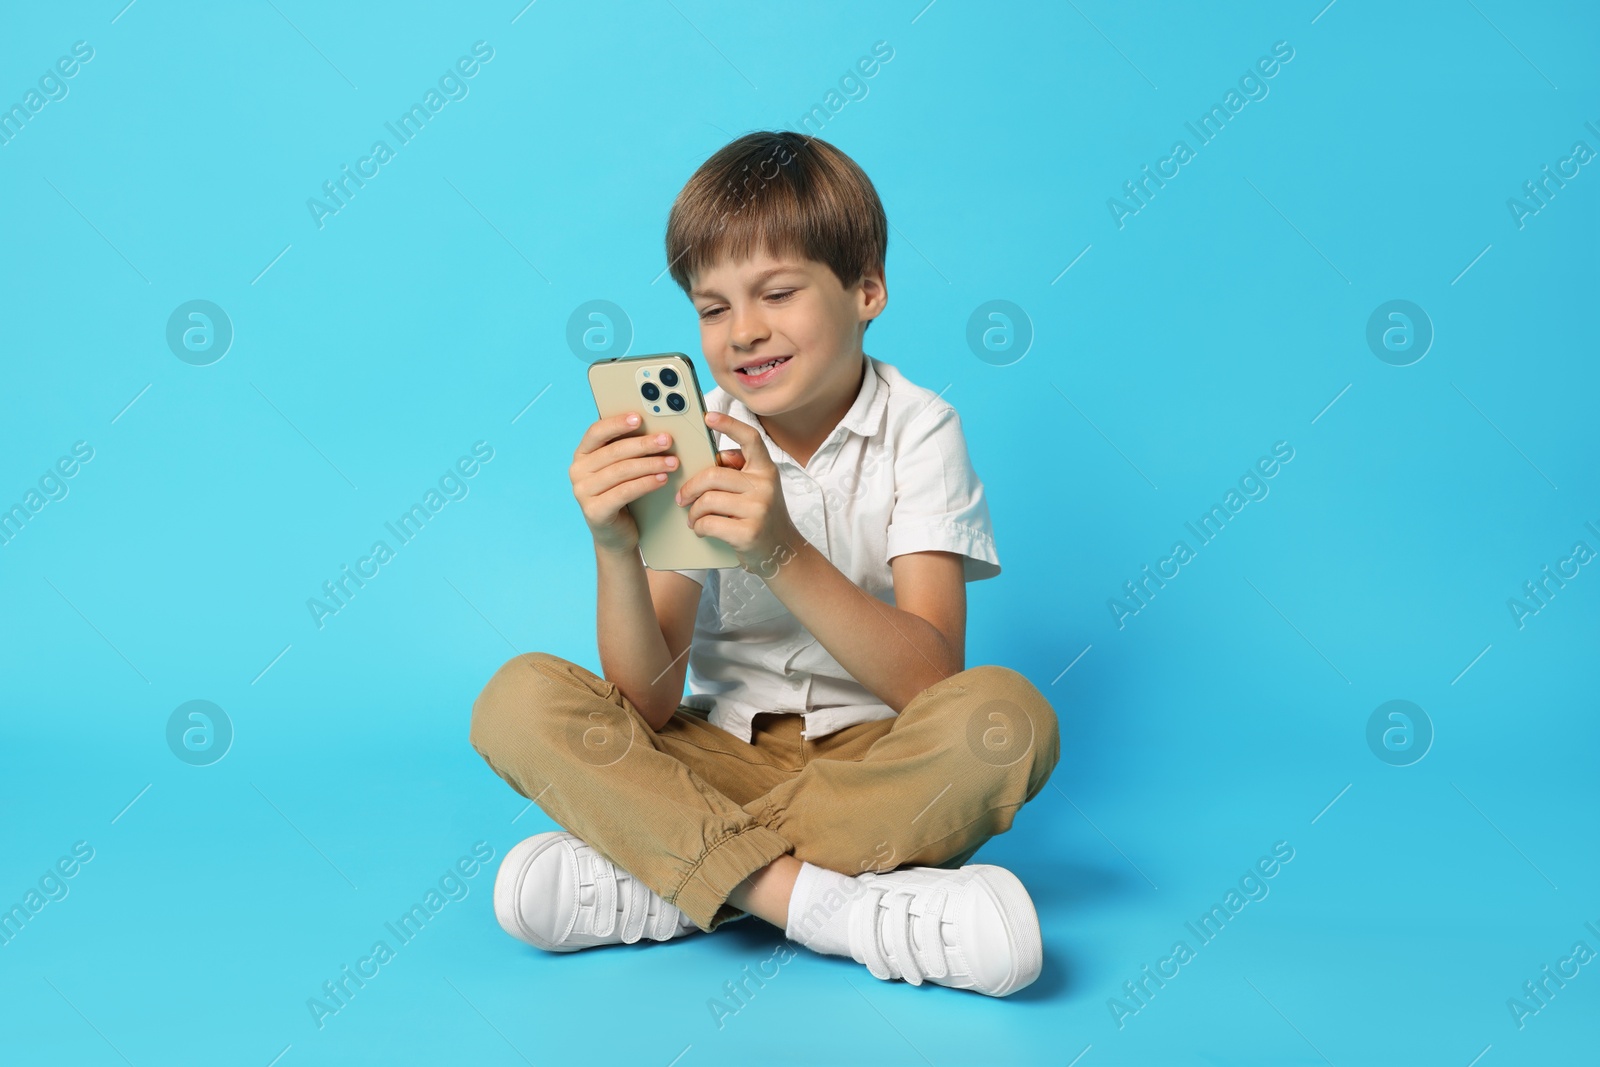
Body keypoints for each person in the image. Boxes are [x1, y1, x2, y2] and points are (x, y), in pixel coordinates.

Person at [470, 130, 1059, 997]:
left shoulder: (920, 430)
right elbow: (648, 700)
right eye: (712, 308)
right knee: (519, 698)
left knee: (1005, 721)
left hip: (873, 765)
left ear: (866, 290)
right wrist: (614, 549)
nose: (743, 332)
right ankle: (839, 909)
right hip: (719, 750)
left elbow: (931, 682)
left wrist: (779, 550)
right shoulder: (693, 440)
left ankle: (671, 874)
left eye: (777, 293)